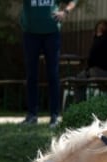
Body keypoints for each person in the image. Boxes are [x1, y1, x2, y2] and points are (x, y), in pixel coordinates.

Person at [20, 0, 77, 128]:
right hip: (30, 33)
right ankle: (32, 115)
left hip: (52, 33)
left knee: (53, 75)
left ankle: (54, 116)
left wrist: (65, 12)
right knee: (31, 75)